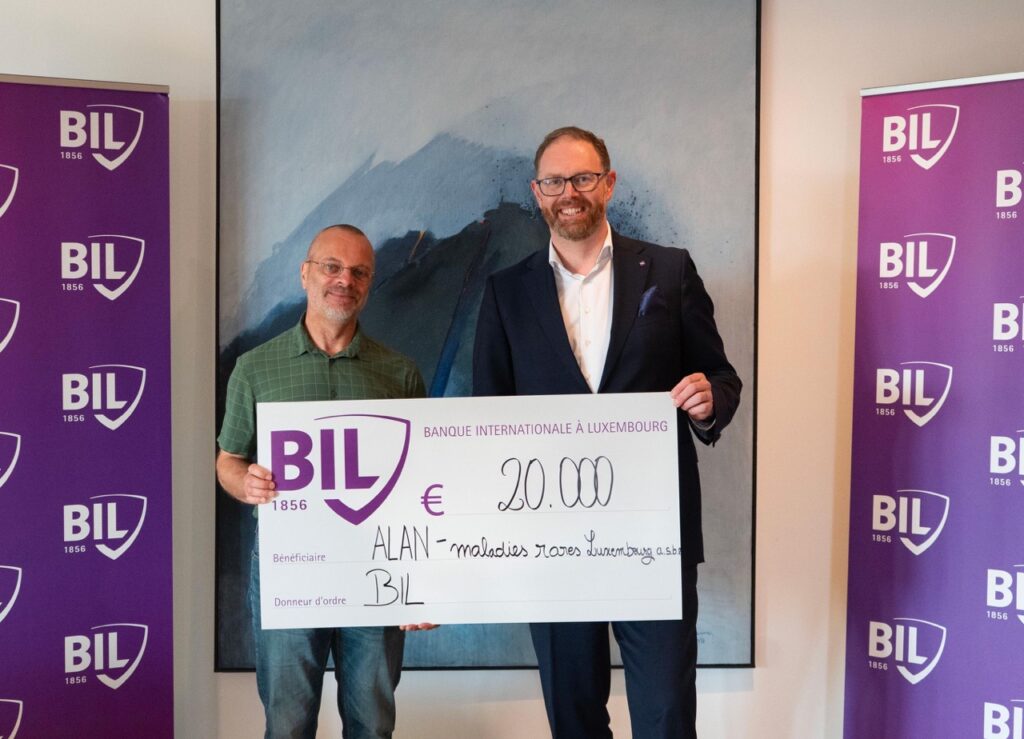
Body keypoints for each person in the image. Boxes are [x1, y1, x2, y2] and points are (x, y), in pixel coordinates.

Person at [473, 127, 742, 739]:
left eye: (583, 178)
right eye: (554, 181)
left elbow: (721, 378)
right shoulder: (506, 291)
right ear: (537, 192)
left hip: (654, 537)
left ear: (609, 183)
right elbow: (487, 420)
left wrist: (708, 402)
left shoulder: (669, 271)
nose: (569, 192)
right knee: (574, 719)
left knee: (666, 714)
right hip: (550, 543)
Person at [217, 224, 431, 739]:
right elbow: (228, 459)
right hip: (290, 566)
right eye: (332, 267)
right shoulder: (254, 368)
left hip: (376, 567)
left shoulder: (399, 374)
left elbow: (422, 486)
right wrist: (245, 483)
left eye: (359, 272)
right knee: (288, 722)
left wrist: (423, 582)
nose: (344, 280)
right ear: (305, 273)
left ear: (369, 283)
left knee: (372, 722)